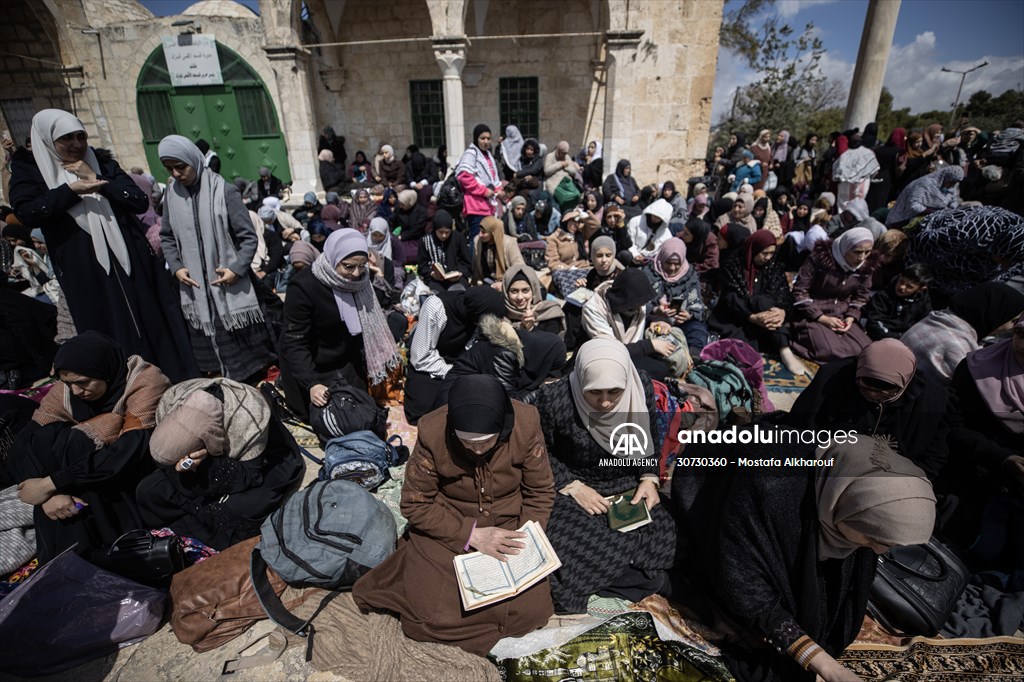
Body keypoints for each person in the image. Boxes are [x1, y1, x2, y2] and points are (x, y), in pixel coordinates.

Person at [672, 436, 936, 682]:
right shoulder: (767, 491)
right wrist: (824, 664)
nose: (879, 552)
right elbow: (745, 587)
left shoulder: (847, 489)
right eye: (875, 539)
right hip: (712, 504)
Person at [354, 375, 555, 656]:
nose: (477, 450)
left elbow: (540, 492)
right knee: (430, 616)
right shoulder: (433, 430)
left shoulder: (525, 423)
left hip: (509, 525)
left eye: (486, 441)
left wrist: (525, 538)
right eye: (467, 442)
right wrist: (471, 535)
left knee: (531, 612)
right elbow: (415, 504)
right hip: (450, 524)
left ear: (503, 426)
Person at [9, 109, 198, 382]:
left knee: (152, 320)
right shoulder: (31, 170)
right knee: (105, 327)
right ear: (49, 141)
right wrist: (71, 191)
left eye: (81, 136)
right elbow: (28, 211)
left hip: (131, 259)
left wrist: (96, 182)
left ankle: (173, 378)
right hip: (84, 268)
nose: (77, 145)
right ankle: (127, 388)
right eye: (67, 139)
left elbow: (136, 200)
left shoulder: (101, 163)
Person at [531, 338, 676, 613]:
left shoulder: (639, 385)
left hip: (625, 483)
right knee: (565, 543)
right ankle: (646, 579)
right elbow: (539, 452)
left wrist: (648, 477)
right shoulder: (554, 399)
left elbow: (646, 436)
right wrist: (572, 486)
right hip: (576, 489)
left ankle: (634, 578)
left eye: (614, 392)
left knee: (667, 532)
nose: (606, 402)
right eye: (594, 392)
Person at [8, 332, 172, 563]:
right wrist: (46, 496)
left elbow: (128, 451)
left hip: (138, 469)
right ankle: (75, 559)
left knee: (80, 442)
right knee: (46, 438)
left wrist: (51, 483)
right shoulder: (66, 391)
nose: (75, 391)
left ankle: (86, 557)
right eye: (68, 383)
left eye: (83, 383)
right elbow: (24, 443)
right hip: (88, 474)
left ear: (104, 371)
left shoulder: (144, 382)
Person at [135, 378, 304, 551]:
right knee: (149, 489)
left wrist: (206, 465)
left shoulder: (248, 420)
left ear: (208, 441)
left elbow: (251, 475)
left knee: (226, 512)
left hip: (263, 465)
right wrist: (187, 469)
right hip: (198, 461)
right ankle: (186, 533)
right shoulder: (173, 401)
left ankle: (203, 538)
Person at [158, 135, 275, 382]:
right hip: (197, 292)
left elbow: (248, 238)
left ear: (195, 160)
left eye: (181, 167)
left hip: (229, 287)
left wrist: (236, 269)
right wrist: (177, 268)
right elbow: (167, 237)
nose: (177, 174)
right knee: (211, 366)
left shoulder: (225, 191)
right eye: (170, 169)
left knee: (248, 364)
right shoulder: (171, 195)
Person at [279, 229, 403, 421]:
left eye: (362, 266)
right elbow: (295, 343)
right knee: (331, 416)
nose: (356, 273)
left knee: (362, 412)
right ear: (332, 258)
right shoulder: (304, 287)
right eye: (348, 267)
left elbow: (379, 307)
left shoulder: (361, 281)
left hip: (344, 359)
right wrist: (312, 383)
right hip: (312, 365)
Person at [788, 339, 950, 479]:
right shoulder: (832, 379)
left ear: (904, 385)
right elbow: (801, 428)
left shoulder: (932, 400)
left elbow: (933, 457)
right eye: (865, 388)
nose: (872, 395)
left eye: (882, 393)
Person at [709, 229, 809, 375]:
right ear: (753, 249)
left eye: (771, 253)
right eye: (764, 253)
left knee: (763, 302)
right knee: (743, 347)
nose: (767, 257)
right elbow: (730, 299)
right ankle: (778, 347)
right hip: (738, 316)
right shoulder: (733, 265)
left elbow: (784, 295)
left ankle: (785, 350)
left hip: (766, 319)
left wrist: (781, 312)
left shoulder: (773, 267)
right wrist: (751, 317)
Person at [404, 286, 506, 424]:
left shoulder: (474, 317)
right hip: (429, 366)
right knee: (425, 412)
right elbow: (420, 357)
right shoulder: (436, 306)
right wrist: (452, 372)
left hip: (459, 365)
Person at [900, 282, 1024, 385]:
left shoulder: (938, 319)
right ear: (995, 315)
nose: (1012, 328)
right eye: (1013, 321)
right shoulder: (958, 349)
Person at [903, 206, 1024, 304]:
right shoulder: (974, 232)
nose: (1006, 265)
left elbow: (996, 279)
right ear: (1001, 248)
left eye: (1012, 262)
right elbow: (925, 242)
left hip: (958, 282)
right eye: (1006, 259)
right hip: (931, 252)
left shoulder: (1018, 252)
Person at [790, 228, 877, 362]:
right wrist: (822, 318)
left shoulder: (865, 266)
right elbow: (800, 292)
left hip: (841, 314)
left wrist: (851, 317)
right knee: (831, 351)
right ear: (845, 247)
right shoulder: (819, 259)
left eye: (867, 252)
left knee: (865, 351)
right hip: (811, 313)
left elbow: (861, 296)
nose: (862, 257)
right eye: (857, 252)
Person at [580, 268, 672, 377]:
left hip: (630, 354)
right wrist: (649, 345)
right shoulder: (594, 309)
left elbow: (644, 316)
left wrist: (658, 321)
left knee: (666, 364)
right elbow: (610, 349)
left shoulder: (637, 303)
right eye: (636, 304)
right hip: (603, 359)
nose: (640, 307)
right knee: (658, 370)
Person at [644, 237, 708, 353]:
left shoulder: (690, 275)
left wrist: (688, 315)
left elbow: (696, 302)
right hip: (655, 321)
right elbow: (639, 304)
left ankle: (695, 357)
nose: (672, 268)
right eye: (668, 263)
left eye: (677, 264)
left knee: (697, 331)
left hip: (683, 323)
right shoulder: (648, 274)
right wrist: (655, 310)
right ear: (662, 258)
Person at [456, 124, 502, 245]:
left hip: (488, 205)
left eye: (488, 138)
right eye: (482, 138)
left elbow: (493, 178)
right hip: (475, 206)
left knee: (488, 241)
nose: (486, 141)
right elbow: (464, 177)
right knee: (476, 240)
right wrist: (484, 191)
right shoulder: (471, 154)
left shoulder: (488, 156)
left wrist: (498, 189)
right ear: (476, 139)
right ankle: (474, 264)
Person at [863, 263, 933, 341]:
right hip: (881, 337)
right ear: (900, 276)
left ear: (920, 289)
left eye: (909, 286)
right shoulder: (883, 296)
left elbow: (923, 327)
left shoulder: (923, 302)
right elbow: (873, 322)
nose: (902, 287)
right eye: (901, 281)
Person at [886, 166, 964, 228]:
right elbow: (914, 205)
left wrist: (951, 210)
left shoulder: (951, 188)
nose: (952, 185)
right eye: (952, 182)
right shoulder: (925, 184)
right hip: (905, 220)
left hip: (934, 218)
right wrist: (935, 213)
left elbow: (953, 200)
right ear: (946, 177)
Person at [503, 263, 566, 337]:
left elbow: (549, 346)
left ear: (534, 291)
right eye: (514, 291)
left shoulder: (550, 313)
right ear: (506, 292)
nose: (520, 297)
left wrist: (531, 328)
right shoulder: (500, 313)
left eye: (525, 290)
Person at [418, 210, 472, 293]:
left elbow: (466, 263)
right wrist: (432, 274)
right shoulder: (426, 240)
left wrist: (459, 273)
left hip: (457, 279)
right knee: (436, 296)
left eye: (447, 232)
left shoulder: (459, 238)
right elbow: (422, 266)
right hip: (434, 280)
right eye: (440, 232)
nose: (444, 235)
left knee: (457, 293)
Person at [832, 132, 879, 211]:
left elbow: (836, 170)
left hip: (845, 186)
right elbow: (874, 169)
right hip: (861, 184)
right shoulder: (868, 153)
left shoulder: (844, 155)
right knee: (857, 206)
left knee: (843, 207)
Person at [472, 215, 523, 285]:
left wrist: (504, 284)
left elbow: (519, 267)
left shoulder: (509, 243)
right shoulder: (478, 241)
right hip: (486, 281)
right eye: (480, 231)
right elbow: (476, 267)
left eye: (484, 232)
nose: (480, 235)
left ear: (493, 233)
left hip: (507, 282)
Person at [626, 198, 674, 264]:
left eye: (659, 217)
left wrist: (647, 258)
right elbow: (629, 242)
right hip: (631, 254)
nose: (656, 218)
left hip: (649, 261)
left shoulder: (666, 234)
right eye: (655, 215)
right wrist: (636, 254)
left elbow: (661, 252)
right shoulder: (636, 221)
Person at [367, 217, 405, 290]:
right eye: (374, 235)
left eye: (381, 235)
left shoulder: (393, 240)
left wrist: (384, 264)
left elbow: (401, 260)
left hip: (390, 266)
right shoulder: (365, 240)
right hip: (370, 265)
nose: (377, 238)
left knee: (397, 273)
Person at [391, 188, 427, 263]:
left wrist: (402, 237)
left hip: (416, 239)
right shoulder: (399, 209)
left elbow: (417, 230)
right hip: (402, 237)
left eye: (403, 204)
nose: (400, 206)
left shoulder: (421, 212)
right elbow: (392, 222)